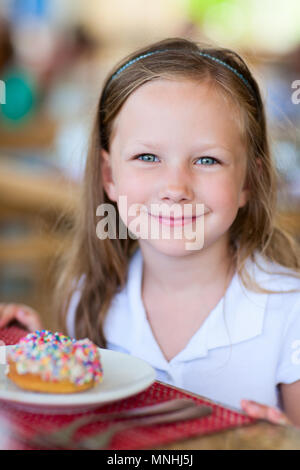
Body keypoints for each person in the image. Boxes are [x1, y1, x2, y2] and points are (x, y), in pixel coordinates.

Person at [1, 37, 300, 427]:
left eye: (207, 159)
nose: (175, 187)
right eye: (147, 157)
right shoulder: (89, 297)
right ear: (110, 176)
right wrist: (33, 351)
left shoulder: (289, 313)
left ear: (249, 181)